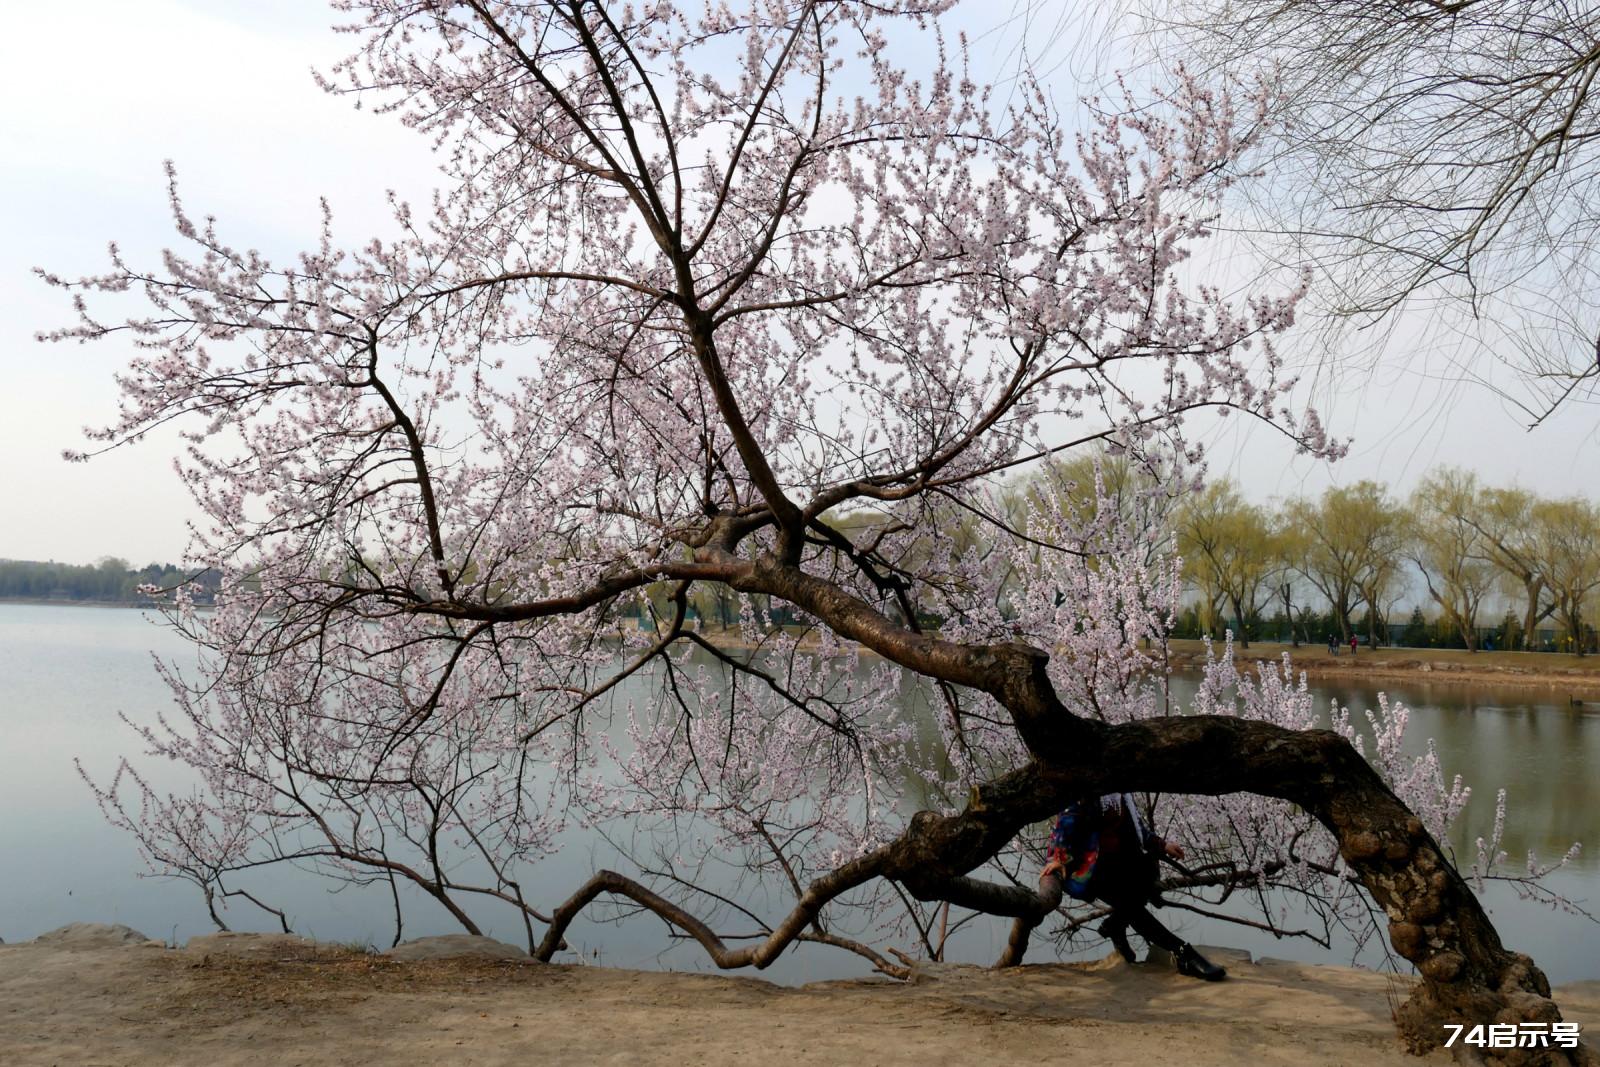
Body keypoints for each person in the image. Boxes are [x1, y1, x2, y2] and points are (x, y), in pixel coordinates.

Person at [1040, 793, 1226, 981]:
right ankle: (1183, 952)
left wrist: (1163, 845)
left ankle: (1115, 925)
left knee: (1143, 881)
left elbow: (1138, 831)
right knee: (1133, 908)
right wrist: (1059, 858)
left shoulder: (1121, 795)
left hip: (1124, 862)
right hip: (1094, 867)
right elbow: (1066, 821)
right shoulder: (1088, 791)